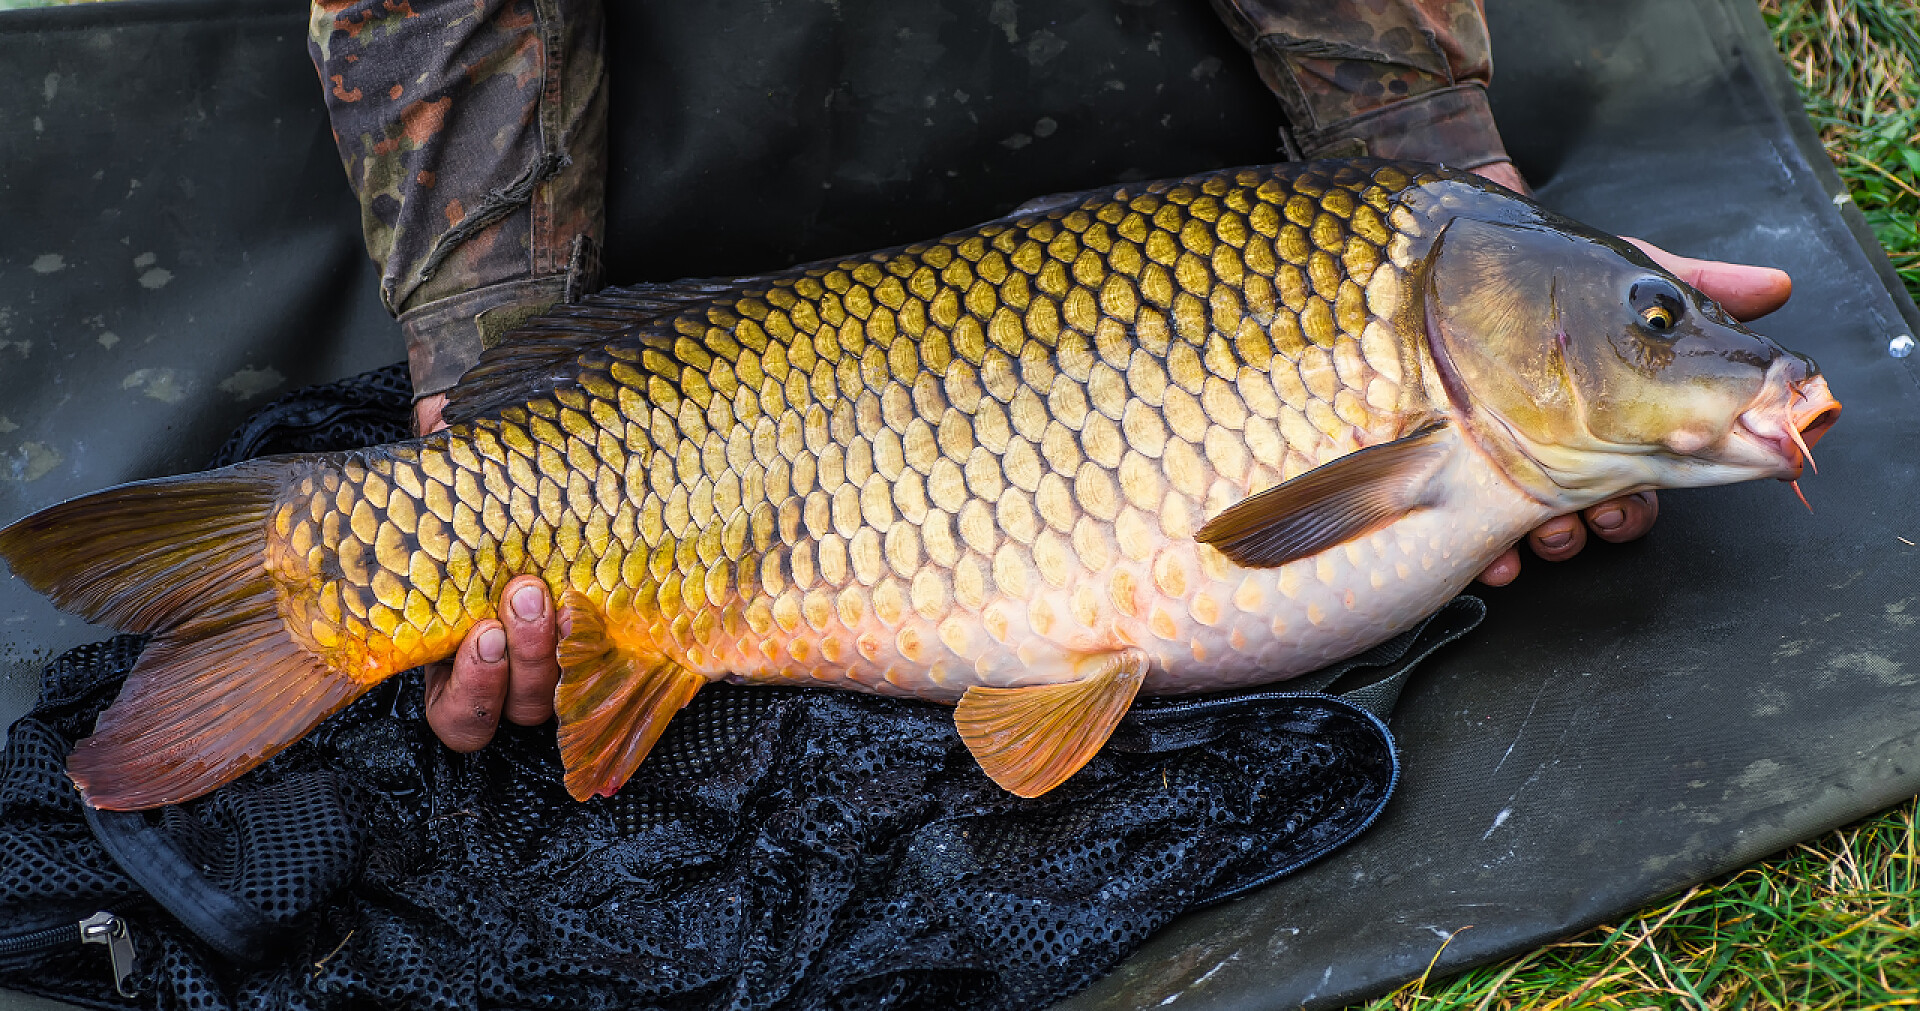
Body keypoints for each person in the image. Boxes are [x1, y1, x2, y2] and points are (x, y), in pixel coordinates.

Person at [307, 0, 1794, 753]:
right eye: (1655, 325)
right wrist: (497, 347)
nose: (1676, 346)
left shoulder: (1436, 318)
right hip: (665, 153)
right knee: (457, 554)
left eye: (1654, 327)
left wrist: (1421, 154)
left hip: (1170, 126)